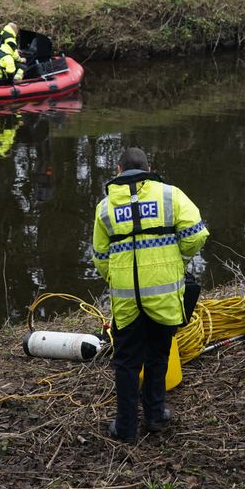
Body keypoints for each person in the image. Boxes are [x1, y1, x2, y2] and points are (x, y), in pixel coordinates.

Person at [92, 148, 209, 443]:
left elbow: (99, 257)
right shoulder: (171, 195)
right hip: (163, 295)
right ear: (149, 167)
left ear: (118, 170)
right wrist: (177, 259)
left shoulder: (105, 207)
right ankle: (155, 417)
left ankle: (126, 428)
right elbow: (196, 235)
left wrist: (114, 277)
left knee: (126, 363)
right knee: (158, 356)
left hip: (127, 300)